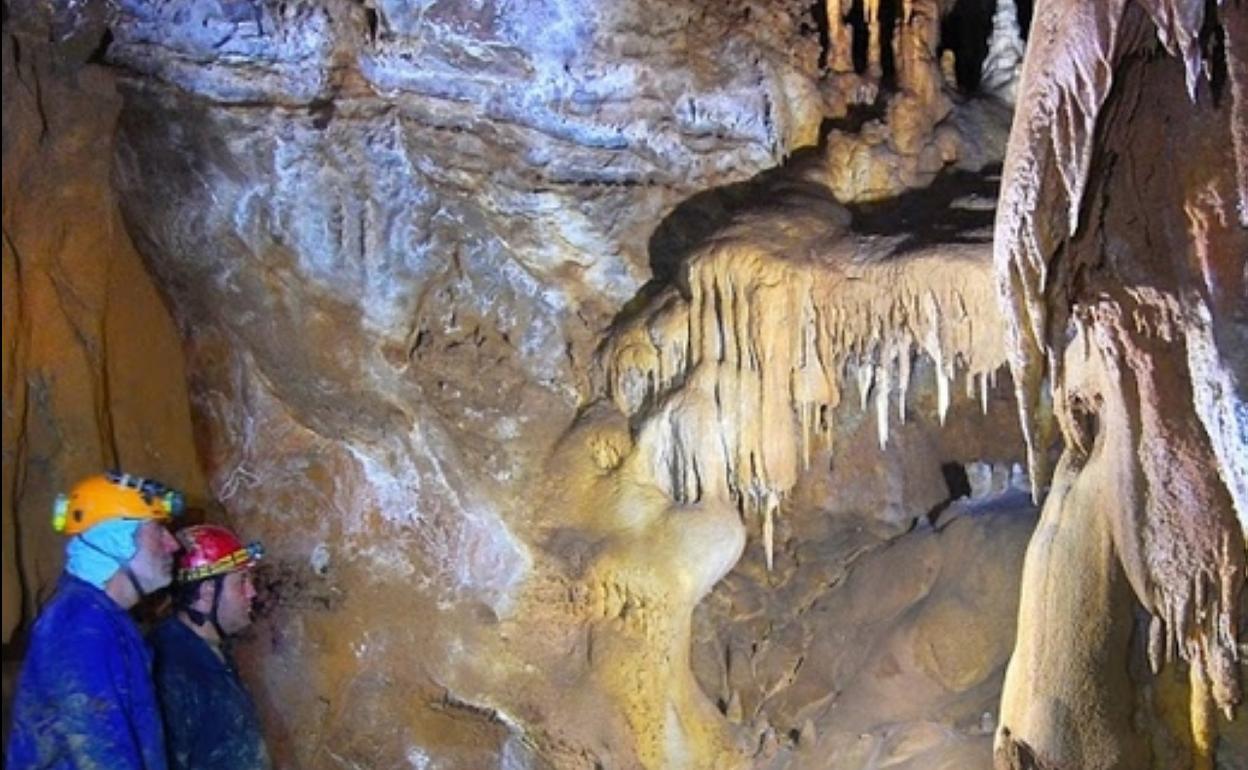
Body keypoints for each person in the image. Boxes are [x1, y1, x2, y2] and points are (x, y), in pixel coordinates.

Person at [6, 471, 184, 770]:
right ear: (117, 542)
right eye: (158, 531)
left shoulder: (106, 619)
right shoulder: (80, 627)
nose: (173, 545)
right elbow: (99, 755)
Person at [150, 524, 271, 770]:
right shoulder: (171, 670)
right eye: (241, 581)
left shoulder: (208, 649)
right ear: (207, 593)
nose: (252, 592)